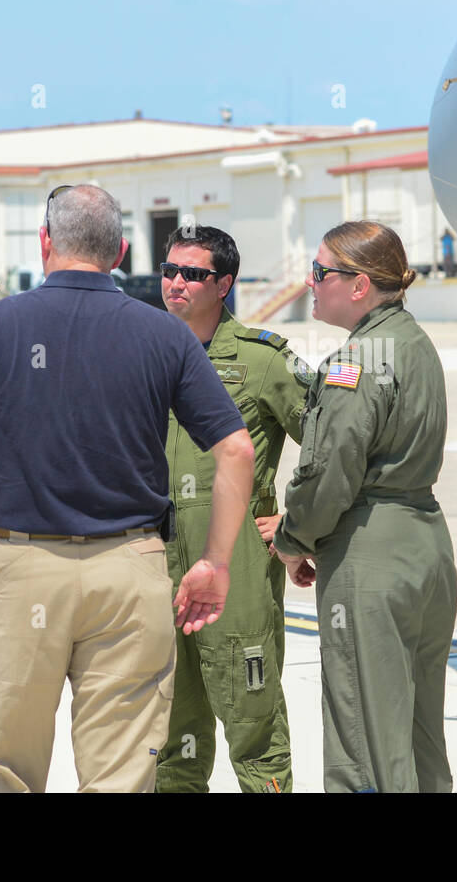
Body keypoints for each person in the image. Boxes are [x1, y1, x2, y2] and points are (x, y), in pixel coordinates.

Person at [0, 184, 255, 793]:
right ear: (122, 251)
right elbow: (236, 449)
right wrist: (214, 562)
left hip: (22, 568)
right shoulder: (165, 335)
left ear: (45, 242)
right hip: (130, 571)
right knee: (120, 772)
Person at [273, 220, 457, 793]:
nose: (311, 282)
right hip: (425, 545)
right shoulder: (414, 343)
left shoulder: (357, 359)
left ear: (358, 285)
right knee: (419, 734)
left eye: (321, 271)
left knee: (364, 742)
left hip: (369, 552)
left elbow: (330, 472)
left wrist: (292, 539)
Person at [154, 225, 310, 794]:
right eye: (168, 270)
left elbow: (333, 440)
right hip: (157, 562)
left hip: (236, 565)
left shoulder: (262, 360)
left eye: (192, 274)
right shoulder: (145, 352)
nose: (175, 283)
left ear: (223, 284)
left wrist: (296, 523)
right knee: (172, 726)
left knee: (252, 718)